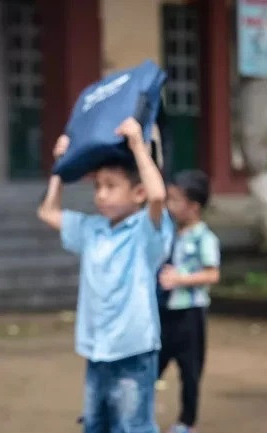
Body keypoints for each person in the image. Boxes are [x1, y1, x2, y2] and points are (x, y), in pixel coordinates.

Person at [37, 120, 172, 433]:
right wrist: (61, 166)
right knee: (96, 425)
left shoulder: (144, 232)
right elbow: (48, 212)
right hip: (97, 349)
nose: (100, 195)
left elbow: (157, 197)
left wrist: (139, 145)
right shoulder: (92, 229)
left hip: (133, 350)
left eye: (111, 186)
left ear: (137, 192)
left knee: (134, 426)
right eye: (97, 186)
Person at [158, 170, 220, 433]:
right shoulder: (170, 233)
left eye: (174, 200)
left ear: (193, 207)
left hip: (190, 314)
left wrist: (180, 279)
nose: (169, 206)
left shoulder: (205, 238)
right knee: (153, 364)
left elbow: (212, 273)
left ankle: (187, 421)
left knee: (190, 371)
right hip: (166, 311)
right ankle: (138, 413)